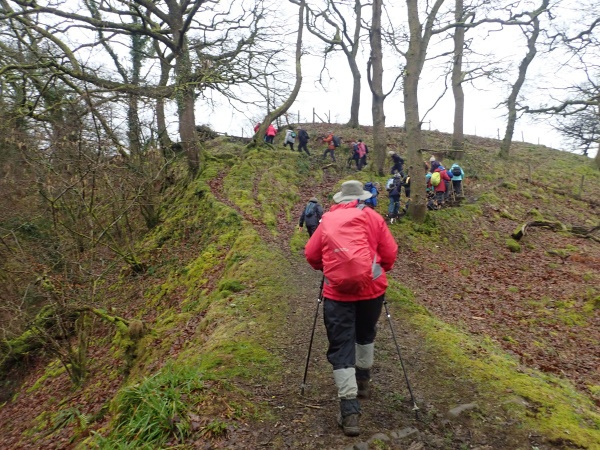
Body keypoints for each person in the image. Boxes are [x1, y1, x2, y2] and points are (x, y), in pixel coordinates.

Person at [304, 180, 398, 437]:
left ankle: (349, 411)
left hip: (337, 294)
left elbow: (312, 255)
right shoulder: (374, 218)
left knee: (342, 346)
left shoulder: (327, 221)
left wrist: (328, 271)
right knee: (366, 334)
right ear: (361, 197)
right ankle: (363, 382)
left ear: (339, 199)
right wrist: (378, 272)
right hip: (372, 291)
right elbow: (390, 254)